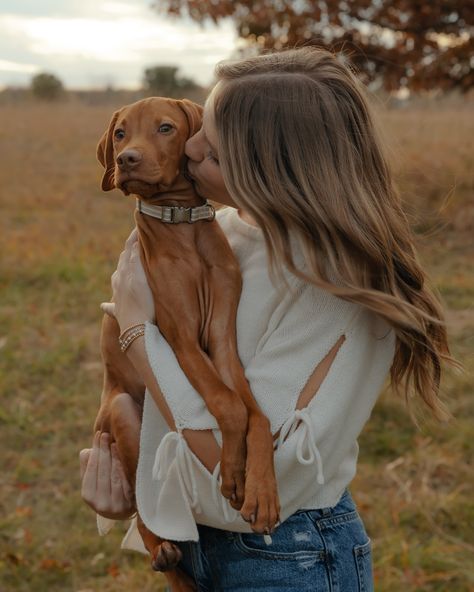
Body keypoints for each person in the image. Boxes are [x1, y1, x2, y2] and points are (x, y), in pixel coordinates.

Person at [80, 48, 453, 591]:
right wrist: (134, 492)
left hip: (287, 561)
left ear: (271, 164)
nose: (190, 146)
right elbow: (157, 403)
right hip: (193, 549)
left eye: (211, 143)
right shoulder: (219, 232)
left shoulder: (336, 286)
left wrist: (138, 332)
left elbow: (266, 476)